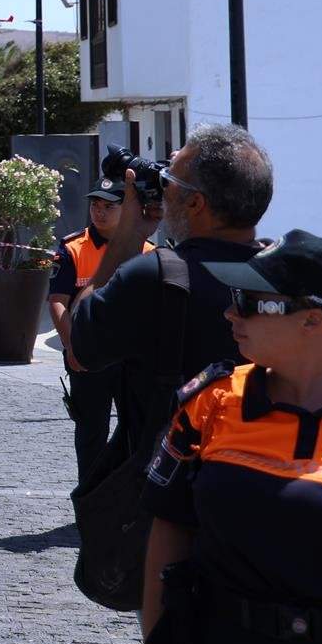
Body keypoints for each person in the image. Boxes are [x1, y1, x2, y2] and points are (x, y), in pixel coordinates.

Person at [141, 230, 322, 644]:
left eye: (250, 301)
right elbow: (169, 528)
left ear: (314, 319)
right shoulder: (212, 400)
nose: (231, 313)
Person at [70, 124, 272, 454]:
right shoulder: (287, 276)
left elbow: (80, 351)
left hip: (171, 484)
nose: (164, 192)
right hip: (263, 471)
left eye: (170, 182)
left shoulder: (152, 277)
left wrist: (128, 235)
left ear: (195, 203)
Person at [47, 178, 150, 489]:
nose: (100, 212)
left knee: (138, 431)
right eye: (95, 205)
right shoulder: (72, 249)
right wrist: (72, 348)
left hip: (133, 360)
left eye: (109, 206)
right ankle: (89, 501)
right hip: (89, 358)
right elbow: (57, 303)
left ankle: (130, 501)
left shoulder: (148, 251)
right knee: (91, 433)